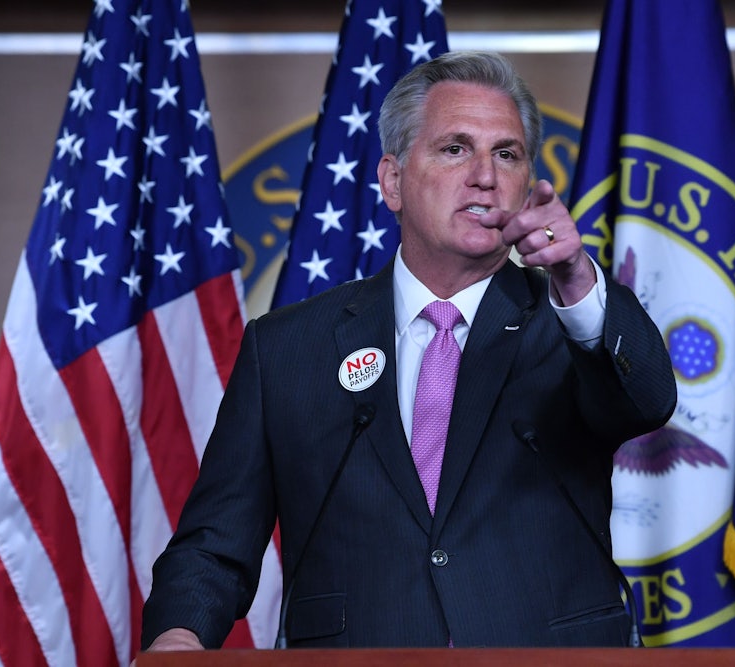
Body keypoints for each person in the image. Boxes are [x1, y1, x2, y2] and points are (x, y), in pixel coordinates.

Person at [140, 50, 676, 652]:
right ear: (392, 180)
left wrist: (577, 278)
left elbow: (647, 402)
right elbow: (214, 543)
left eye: (507, 154)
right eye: (455, 148)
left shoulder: (571, 322)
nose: (485, 175)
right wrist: (178, 638)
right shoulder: (287, 348)